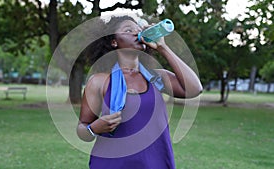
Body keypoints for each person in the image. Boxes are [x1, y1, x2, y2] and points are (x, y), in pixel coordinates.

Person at [77, 15, 202, 169]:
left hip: (156, 163)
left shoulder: (157, 77)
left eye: (138, 29)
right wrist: (95, 128)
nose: (136, 33)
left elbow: (195, 89)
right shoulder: (99, 82)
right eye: (128, 30)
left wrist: (163, 47)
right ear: (114, 41)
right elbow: (82, 129)